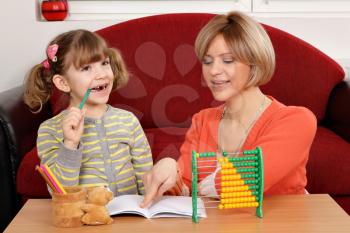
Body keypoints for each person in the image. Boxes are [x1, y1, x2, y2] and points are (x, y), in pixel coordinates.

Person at [141, 11, 317, 206]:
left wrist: (208, 182)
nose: (213, 71)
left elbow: (252, 180)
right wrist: (169, 169)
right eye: (207, 61)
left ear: (255, 62)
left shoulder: (297, 120)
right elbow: (185, 185)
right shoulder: (202, 120)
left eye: (228, 60)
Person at [24, 29, 153, 196]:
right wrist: (70, 144)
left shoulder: (128, 121)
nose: (101, 74)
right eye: (86, 68)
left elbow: (146, 178)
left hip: (129, 219)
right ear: (63, 83)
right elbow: (59, 191)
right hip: (83, 217)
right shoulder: (49, 130)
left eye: (104, 63)